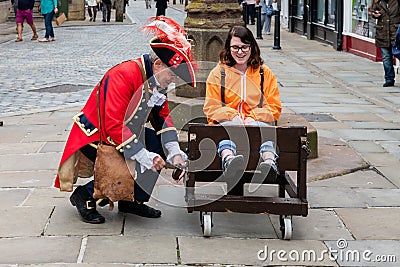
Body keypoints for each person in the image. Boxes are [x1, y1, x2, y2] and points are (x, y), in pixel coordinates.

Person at [55, 17, 196, 224]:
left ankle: (132, 201)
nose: (174, 80)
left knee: (158, 146)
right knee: (124, 163)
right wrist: (144, 156)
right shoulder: (124, 75)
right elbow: (113, 126)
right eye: (173, 74)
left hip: (125, 133)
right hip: (98, 136)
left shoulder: (157, 79)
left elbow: (163, 117)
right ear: (158, 64)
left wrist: (174, 151)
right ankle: (84, 196)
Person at [203, 25, 281, 184]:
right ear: (228, 48)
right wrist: (233, 117)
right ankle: (229, 160)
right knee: (227, 133)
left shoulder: (264, 73)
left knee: (264, 134)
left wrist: (253, 117)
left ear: (252, 47)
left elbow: (274, 107)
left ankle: (269, 163)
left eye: (244, 47)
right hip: (229, 124)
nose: (240, 52)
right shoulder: (218, 73)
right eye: (235, 47)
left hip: (256, 125)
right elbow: (211, 108)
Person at [371, 0, 400, 87]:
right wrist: (374, 14)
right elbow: (373, 11)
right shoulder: (378, 1)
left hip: (396, 34)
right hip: (382, 34)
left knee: (398, 54)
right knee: (386, 58)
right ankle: (389, 79)